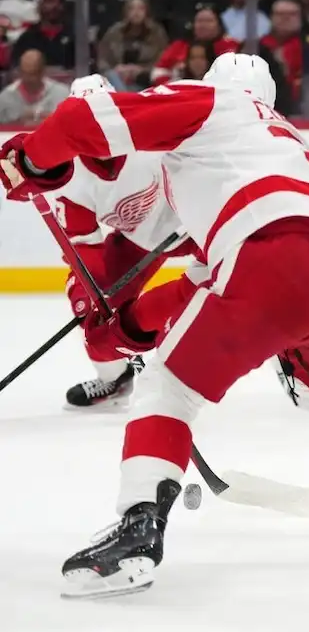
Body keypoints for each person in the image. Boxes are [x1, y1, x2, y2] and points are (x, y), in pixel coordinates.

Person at [0, 52, 309, 598]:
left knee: (168, 386)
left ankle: (137, 532)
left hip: (270, 254)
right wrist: (129, 325)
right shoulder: (288, 148)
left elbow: (79, 121)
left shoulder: (213, 104)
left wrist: (31, 160)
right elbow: (201, 288)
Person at [47, 75, 195, 411]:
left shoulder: (153, 128)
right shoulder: (69, 179)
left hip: (197, 222)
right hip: (139, 240)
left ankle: (293, 357)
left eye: (105, 117)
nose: (98, 132)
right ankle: (115, 377)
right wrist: (92, 295)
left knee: (252, 277)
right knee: (92, 314)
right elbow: (84, 248)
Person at [96, 0, 170, 91]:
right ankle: (124, 98)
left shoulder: (157, 33)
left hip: (145, 80)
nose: (136, 12)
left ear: (147, 12)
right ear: (126, 12)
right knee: (111, 76)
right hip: (117, 79)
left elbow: (163, 60)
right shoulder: (114, 32)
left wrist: (141, 70)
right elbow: (103, 59)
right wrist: (117, 69)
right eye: (132, 9)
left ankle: (125, 99)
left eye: (140, 8)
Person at [151, 8, 239, 85]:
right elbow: (159, 71)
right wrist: (174, 86)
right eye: (199, 21)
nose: (203, 25)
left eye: (209, 21)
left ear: (219, 25)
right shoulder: (179, 46)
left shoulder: (229, 46)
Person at [0, 49, 69, 125]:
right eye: (24, 73)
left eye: (32, 74)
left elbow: (69, 124)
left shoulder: (61, 94)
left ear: (42, 72)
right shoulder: (5, 97)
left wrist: (39, 119)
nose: (27, 78)